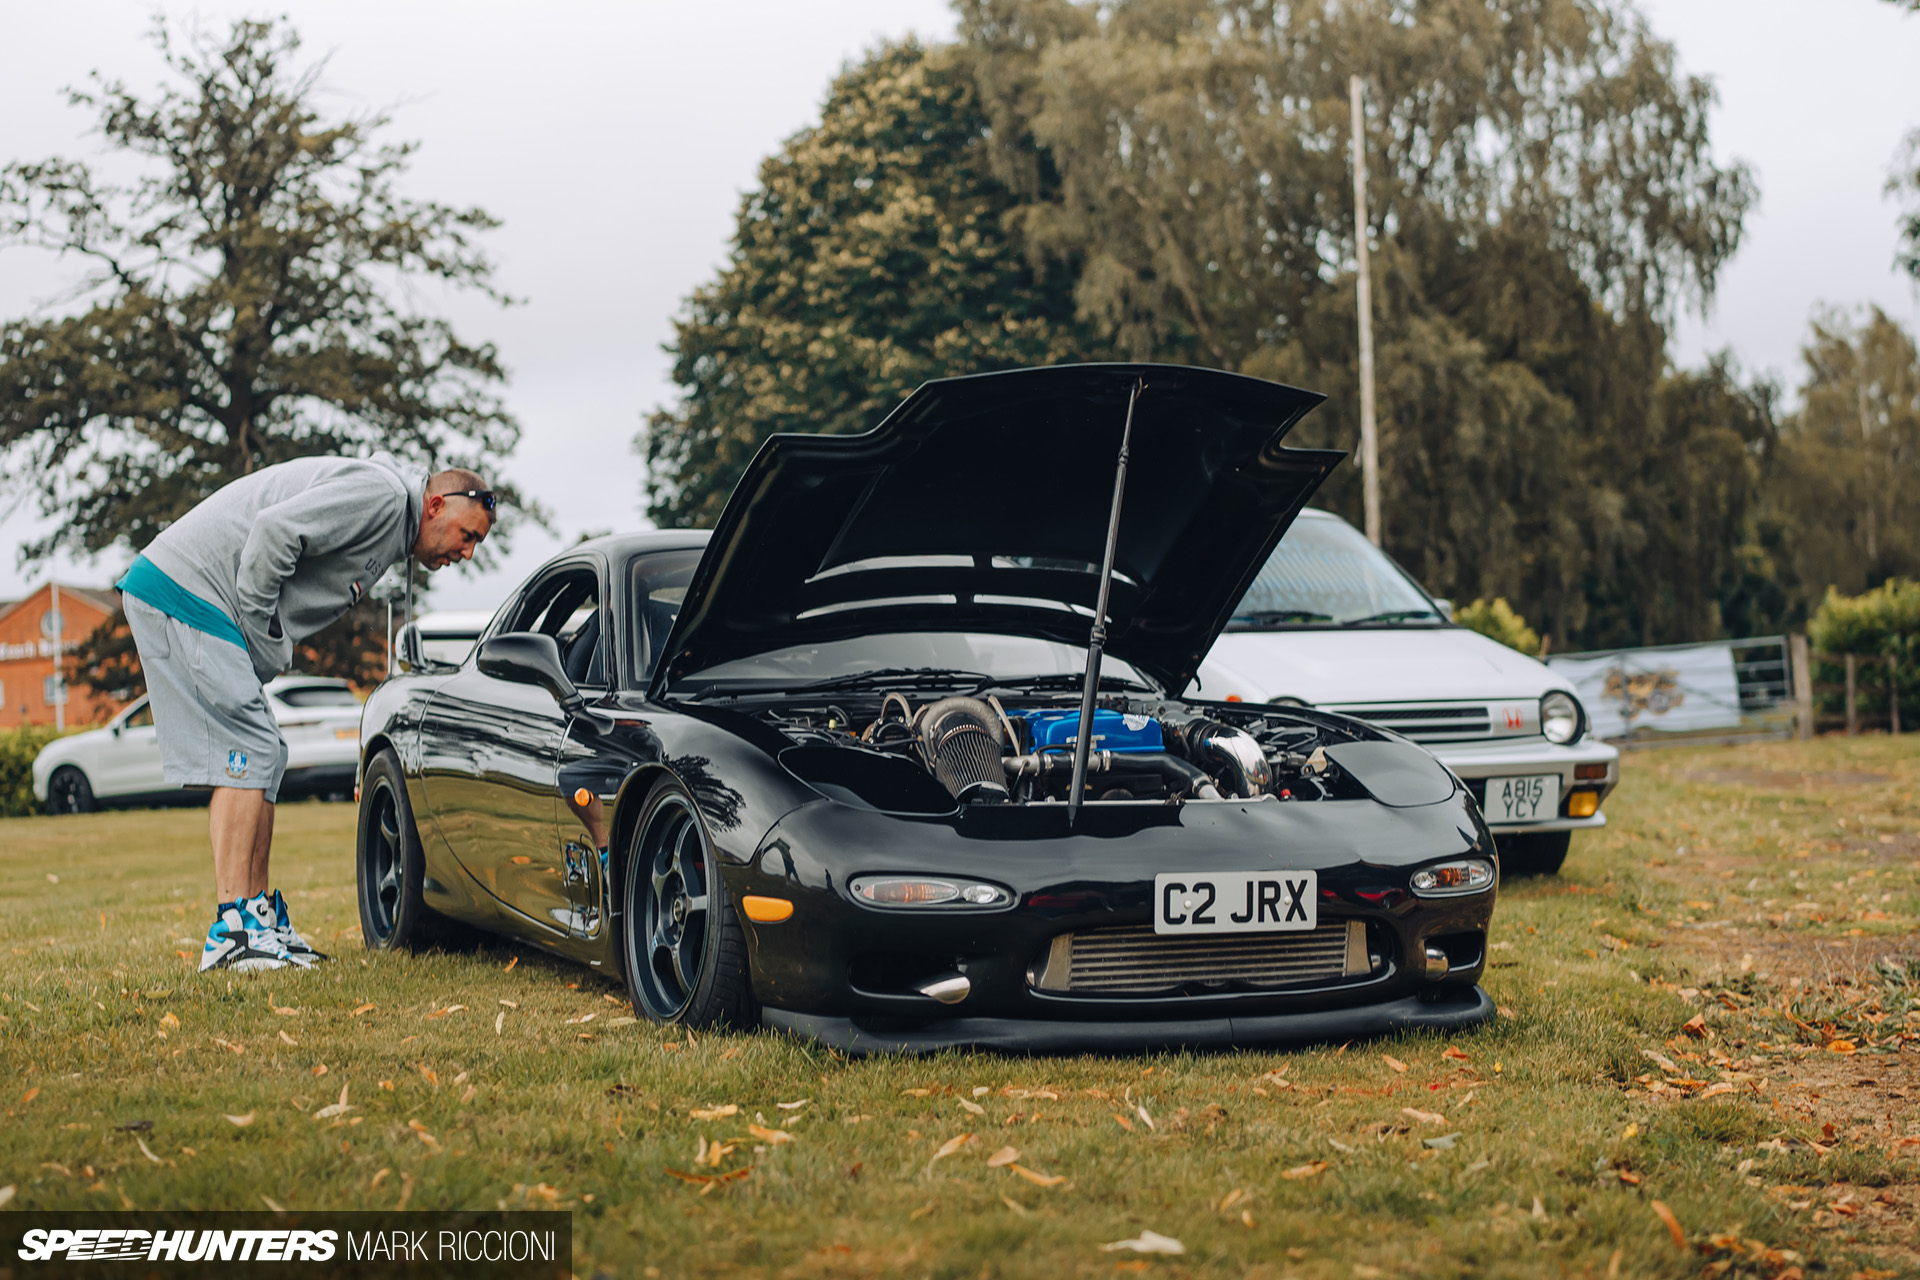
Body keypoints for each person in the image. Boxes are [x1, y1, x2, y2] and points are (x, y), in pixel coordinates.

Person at [115, 454, 496, 972]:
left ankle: (256, 917)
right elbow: (276, 531)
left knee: (267, 752)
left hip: (201, 599)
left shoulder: (391, 521)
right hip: (188, 592)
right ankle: (231, 933)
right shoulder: (381, 497)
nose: (468, 552)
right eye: (467, 534)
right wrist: (257, 633)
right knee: (247, 752)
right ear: (434, 505)